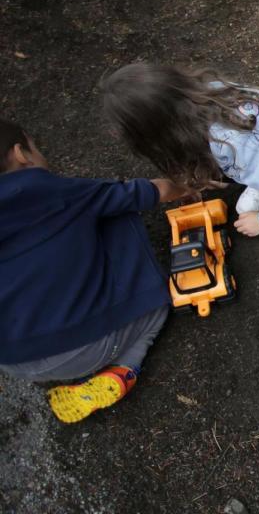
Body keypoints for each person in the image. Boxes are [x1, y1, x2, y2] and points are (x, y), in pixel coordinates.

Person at [0, 119, 191, 423]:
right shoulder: (47, 190)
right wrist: (186, 186)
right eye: (34, 146)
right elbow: (144, 193)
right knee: (153, 310)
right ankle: (123, 369)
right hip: (84, 348)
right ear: (21, 153)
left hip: (14, 360)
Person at [100, 63, 259, 256]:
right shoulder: (196, 104)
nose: (115, 134)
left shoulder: (230, 136)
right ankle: (258, 179)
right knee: (219, 165)